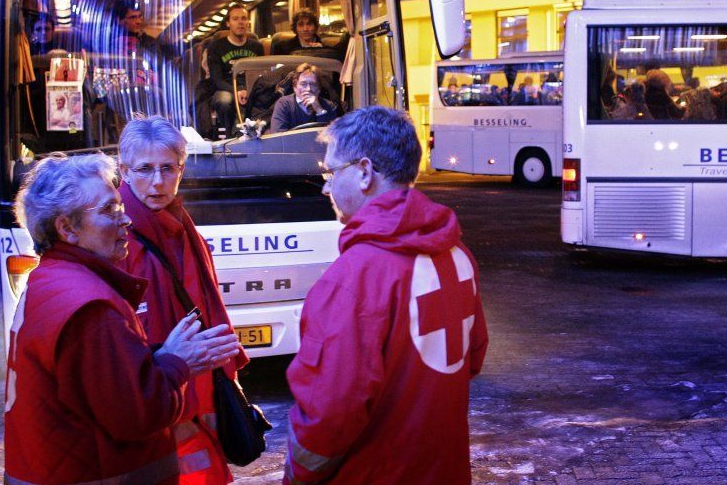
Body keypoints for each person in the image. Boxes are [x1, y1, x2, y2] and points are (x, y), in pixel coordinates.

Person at [5, 153, 241, 485]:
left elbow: (96, 383)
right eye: (108, 210)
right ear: (67, 228)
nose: (126, 220)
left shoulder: (51, 279)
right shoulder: (93, 306)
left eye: (120, 205)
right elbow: (140, 414)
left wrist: (157, 359)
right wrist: (177, 362)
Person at [284, 106, 488, 485]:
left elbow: (329, 414)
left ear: (364, 172)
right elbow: (472, 360)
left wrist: (296, 477)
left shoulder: (352, 278)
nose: (326, 187)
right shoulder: (457, 254)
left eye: (330, 172)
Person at [117, 117, 250, 485]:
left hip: (196, 388)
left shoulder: (179, 222)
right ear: (123, 169)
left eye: (167, 168)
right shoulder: (115, 234)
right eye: (144, 169)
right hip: (160, 398)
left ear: (181, 169)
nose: (157, 182)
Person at [206, 5, 264, 135]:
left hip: (251, 87)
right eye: (235, 19)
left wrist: (250, 90)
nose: (240, 22)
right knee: (225, 100)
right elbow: (217, 80)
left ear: (248, 22)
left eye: (244, 18)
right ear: (228, 23)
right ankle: (231, 135)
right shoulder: (216, 47)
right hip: (226, 88)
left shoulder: (257, 46)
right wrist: (237, 91)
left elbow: (262, 74)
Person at [269, 63, 341, 133]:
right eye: (303, 84)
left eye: (313, 84)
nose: (308, 89)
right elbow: (278, 137)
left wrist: (319, 110)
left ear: (319, 89)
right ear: (295, 87)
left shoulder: (329, 106)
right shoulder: (284, 104)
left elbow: (333, 137)